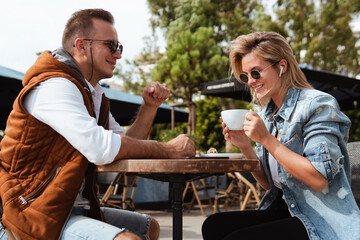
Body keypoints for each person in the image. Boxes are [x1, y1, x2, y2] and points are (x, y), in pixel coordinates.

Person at [0, 8, 195, 240]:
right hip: (32, 212)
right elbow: (101, 148)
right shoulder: (55, 86)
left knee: (148, 227)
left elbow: (126, 146)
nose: (118, 55)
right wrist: (168, 149)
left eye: (119, 47)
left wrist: (149, 107)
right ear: (82, 45)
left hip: (69, 208)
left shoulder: (93, 94)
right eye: (111, 46)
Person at [202, 32, 360, 240]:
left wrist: (267, 139)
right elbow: (270, 184)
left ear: (282, 66)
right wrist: (245, 146)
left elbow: (319, 179)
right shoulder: (268, 115)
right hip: (287, 209)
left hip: (323, 220)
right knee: (213, 226)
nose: (250, 81)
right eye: (245, 76)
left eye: (256, 73)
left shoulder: (318, 105)